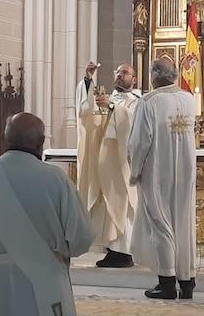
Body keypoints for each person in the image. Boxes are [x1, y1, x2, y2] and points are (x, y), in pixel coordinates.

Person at [0, 113, 94, 316]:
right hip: (44, 280)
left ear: (4, 139)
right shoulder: (55, 180)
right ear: (41, 142)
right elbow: (82, 238)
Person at [128, 59, 197, 300]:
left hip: (157, 170)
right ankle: (187, 282)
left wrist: (134, 170)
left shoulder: (149, 102)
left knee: (161, 224)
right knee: (184, 222)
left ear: (154, 76)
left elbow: (139, 142)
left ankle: (167, 283)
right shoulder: (189, 99)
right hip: (185, 170)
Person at [76, 62, 141, 268]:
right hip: (103, 162)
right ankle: (113, 250)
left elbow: (133, 122)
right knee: (106, 206)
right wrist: (88, 81)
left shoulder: (137, 102)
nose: (120, 75)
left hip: (122, 162)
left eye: (125, 72)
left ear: (135, 79)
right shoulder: (107, 99)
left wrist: (112, 108)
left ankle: (123, 252)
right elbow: (87, 115)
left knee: (122, 205)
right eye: (118, 72)